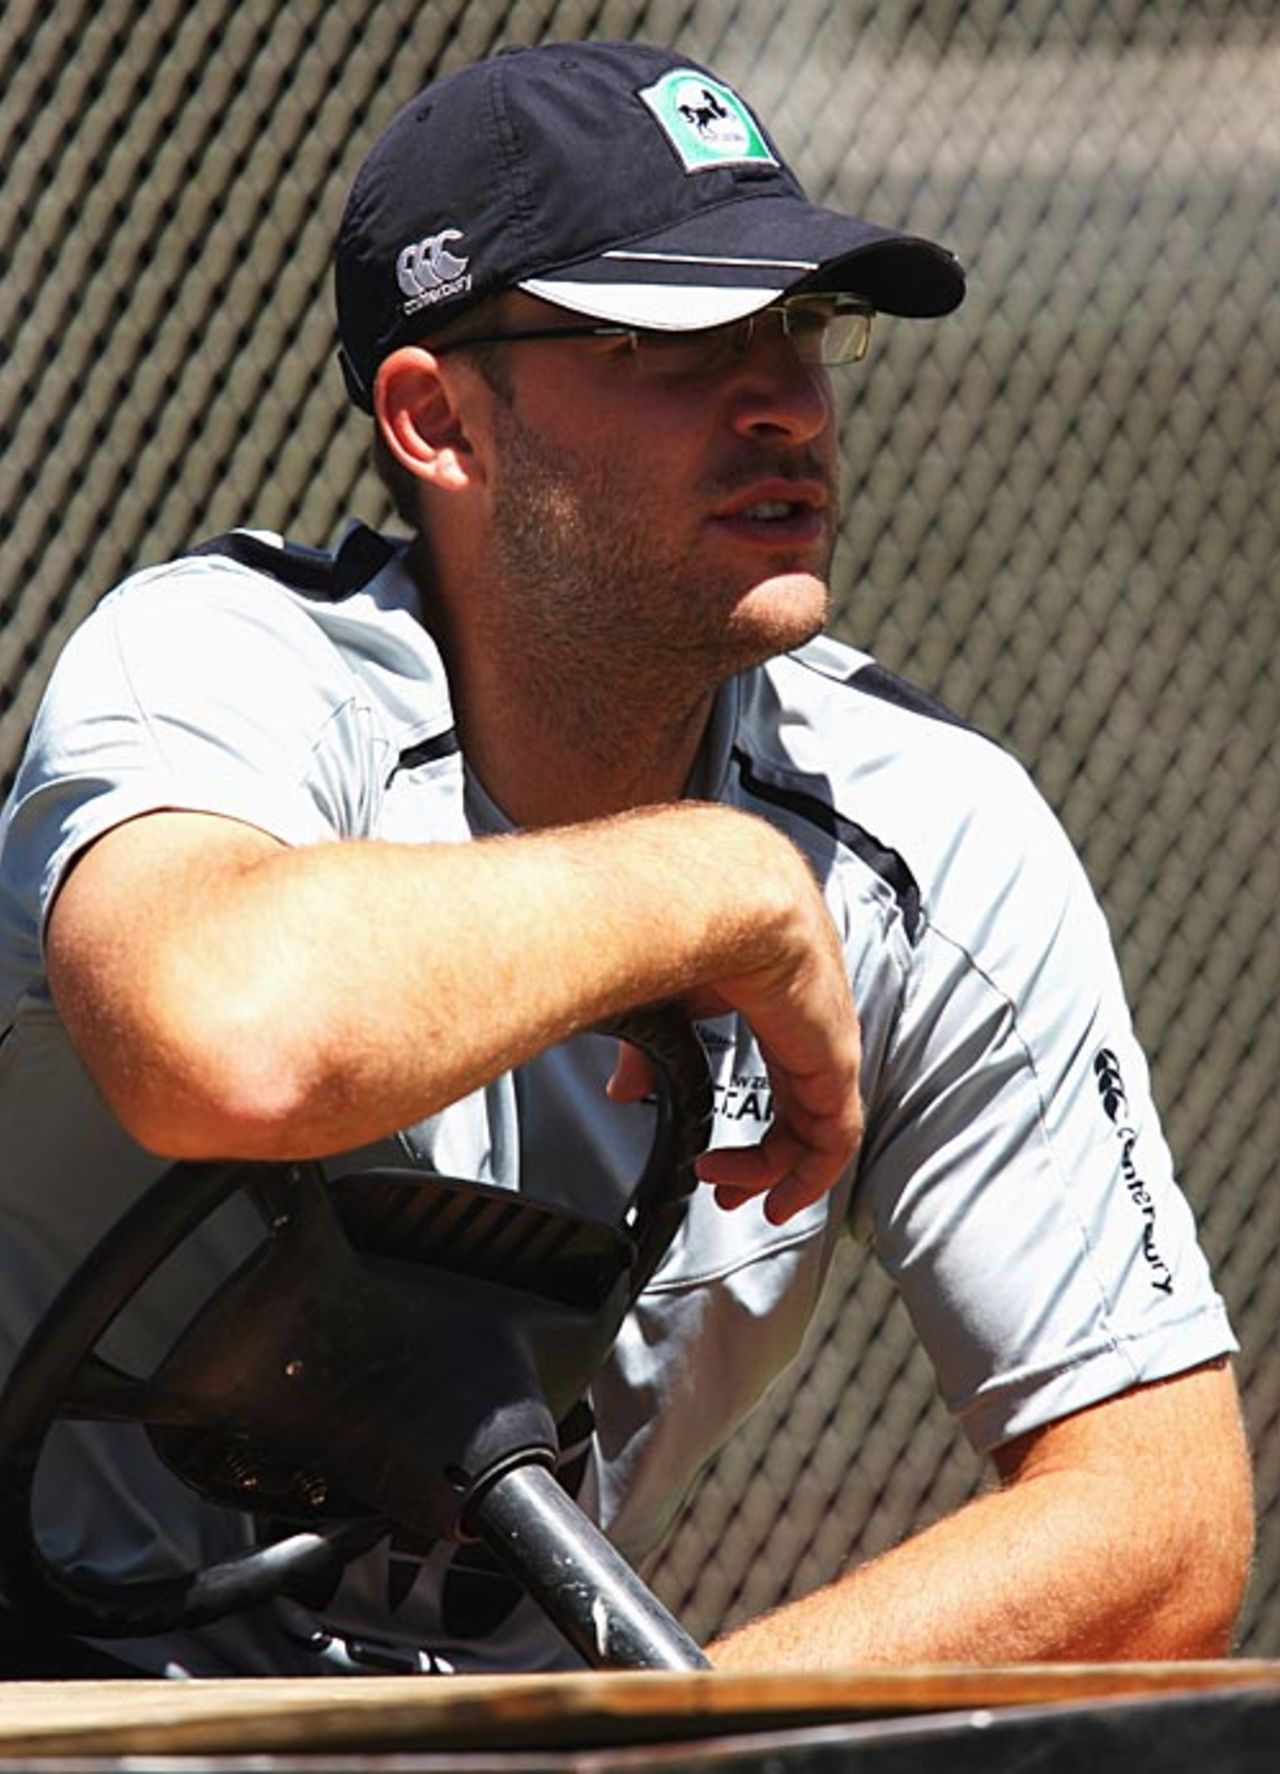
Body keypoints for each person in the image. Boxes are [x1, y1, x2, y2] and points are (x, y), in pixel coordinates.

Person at [0, 40, 1252, 1679]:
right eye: (675, 337)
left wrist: (663, 1738)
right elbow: (225, 1040)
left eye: (803, 324)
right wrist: (711, 886)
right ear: (437, 420)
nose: (787, 400)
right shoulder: (220, 669)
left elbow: (1163, 1516)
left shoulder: (931, 828)